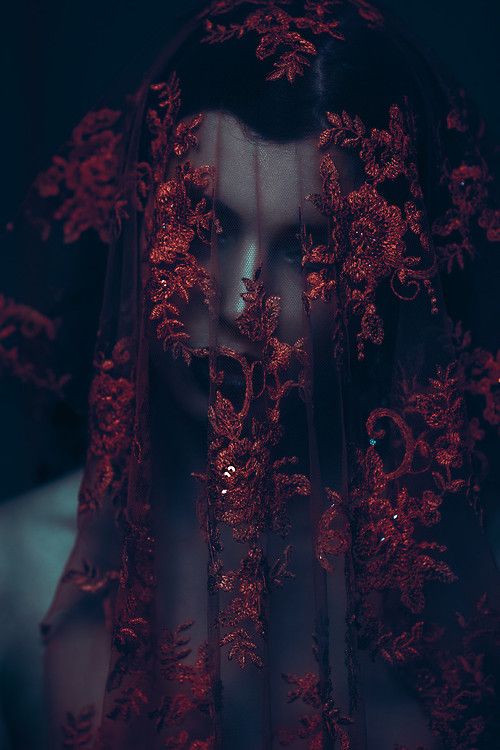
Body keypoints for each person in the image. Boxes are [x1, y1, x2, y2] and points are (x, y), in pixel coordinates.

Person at [3, 1, 500, 748]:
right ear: (142, 226)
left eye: (308, 249)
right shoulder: (17, 571)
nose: (241, 304)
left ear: (382, 281)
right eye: (204, 227)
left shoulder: (458, 597)